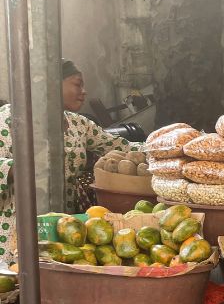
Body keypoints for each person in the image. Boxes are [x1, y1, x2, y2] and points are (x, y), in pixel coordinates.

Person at [0, 59, 138, 263]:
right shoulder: (8, 120)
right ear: (52, 85)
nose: (84, 91)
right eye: (77, 84)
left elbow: (120, 147)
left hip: (64, 228)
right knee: (19, 285)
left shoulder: (78, 124)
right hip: (15, 229)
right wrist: (16, 167)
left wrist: (162, 149)